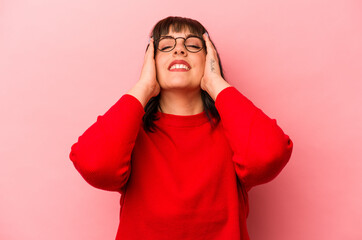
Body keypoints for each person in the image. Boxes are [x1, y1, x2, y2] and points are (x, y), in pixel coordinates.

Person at [69, 16, 293, 240]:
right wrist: (144, 86)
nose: (179, 50)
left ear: (209, 60)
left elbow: (269, 156)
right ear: (151, 61)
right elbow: (93, 164)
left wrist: (216, 83)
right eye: (166, 46)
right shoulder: (130, 133)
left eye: (193, 45)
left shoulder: (234, 131)